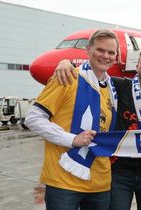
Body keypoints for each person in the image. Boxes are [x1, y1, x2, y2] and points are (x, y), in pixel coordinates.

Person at [53, 48, 141, 210]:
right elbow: (93, 74)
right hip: (120, 172)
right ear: (137, 66)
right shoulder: (120, 85)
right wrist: (66, 63)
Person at [25, 29, 119, 210]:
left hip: (100, 183)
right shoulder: (67, 77)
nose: (105, 56)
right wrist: (71, 139)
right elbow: (34, 118)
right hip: (64, 182)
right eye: (100, 50)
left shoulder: (111, 88)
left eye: (111, 52)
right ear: (88, 50)